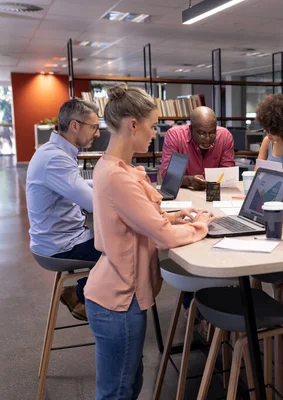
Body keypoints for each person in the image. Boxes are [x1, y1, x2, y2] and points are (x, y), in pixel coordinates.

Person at [84, 83, 219, 400]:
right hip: (118, 299)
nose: (155, 134)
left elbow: (134, 220)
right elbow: (163, 237)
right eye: (152, 126)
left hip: (114, 292)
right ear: (132, 124)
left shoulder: (113, 166)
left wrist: (172, 216)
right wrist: (200, 225)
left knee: (127, 384)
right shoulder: (119, 176)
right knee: (119, 391)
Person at [26, 98, 101, 321]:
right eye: (94, 127)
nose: (97, 134)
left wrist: (108, 185)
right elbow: (94, 205)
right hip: (60, 245)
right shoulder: (55, 159)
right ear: (75, 125)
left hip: (58, 238)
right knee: (123, 251)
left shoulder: (55, 152)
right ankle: (85, 298)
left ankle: (81, 294)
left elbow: (77, 186)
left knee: (115, 244)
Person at [160, 106, 235, 191]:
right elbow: (168, 176)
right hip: (186, 192)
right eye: (202, 133)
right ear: (191, 129)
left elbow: (228, 174)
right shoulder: (176, 136)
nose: (208, 138)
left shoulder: (224, 136)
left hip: (215, 193)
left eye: (212, 133)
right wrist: (190, 181)